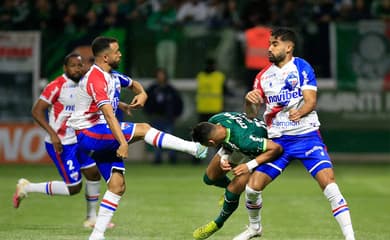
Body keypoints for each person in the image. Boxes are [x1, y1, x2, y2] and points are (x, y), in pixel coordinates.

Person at [66, 36, 208, 240]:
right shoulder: (95, 79)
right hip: (90, 133)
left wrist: (143, 95)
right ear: (105, 57)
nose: (120, 54)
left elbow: (135, 85)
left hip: (102, 132)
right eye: (116, 51)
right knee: (143, 128)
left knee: (117, 185)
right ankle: (193, 148)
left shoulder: (113, 75)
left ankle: (96, 235)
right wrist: (123, 143)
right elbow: (107, 114)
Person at [235, 27, 355, 240]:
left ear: (288, 47)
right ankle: (255, 228)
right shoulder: (262, 76)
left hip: (306, 137)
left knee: (330, 185)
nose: (269, 48)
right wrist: (248, 101)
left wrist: (300, 112)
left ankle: (350, 238)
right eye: (269, 44)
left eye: (275, 44)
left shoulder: (301, 67)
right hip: (278, 143)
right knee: (252, 189)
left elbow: (311, 100)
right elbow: (252, 115)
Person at [13, 53, 114, 229]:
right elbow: (37, 111)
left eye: (79, 65)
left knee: (93, 174)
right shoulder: (56, 86)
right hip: (60, 144)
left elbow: (101, 99)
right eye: (73, 65)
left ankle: (92, 218)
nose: (77, 69)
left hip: (78, 141)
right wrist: (52, 134)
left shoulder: (85, 83)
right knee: (73, 188)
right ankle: (27, 187)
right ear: (65, 68)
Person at [190, 112, 283, 240]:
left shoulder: (244, 141)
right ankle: (230, 191)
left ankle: (218, 223)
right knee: (209, 178)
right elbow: (227, 141)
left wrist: (248, 165)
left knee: (231, 192)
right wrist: (224, 157)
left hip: (258, 152)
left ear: (211, 142)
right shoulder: (215, 120)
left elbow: (276, 149)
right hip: (239, 144)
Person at [144, 68, 183, 164]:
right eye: (158, 75)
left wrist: (176, 114)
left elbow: (178, 103)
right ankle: (157, 158)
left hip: (167, 118)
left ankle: (172, 157)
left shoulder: (171, 90)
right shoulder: (152, 89)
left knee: (170, 138)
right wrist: (148, 112)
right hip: (156, 118)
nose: (160, 77)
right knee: (156, 139)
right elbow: (145, 101)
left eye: (162, 75)